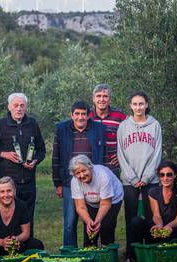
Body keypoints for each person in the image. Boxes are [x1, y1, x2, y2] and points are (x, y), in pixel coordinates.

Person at [0, 93, 46, 237]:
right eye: (16, 105)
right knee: (8, 219)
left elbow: (41, 150)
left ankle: (28, 251)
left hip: (29, 182)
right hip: (8, 183)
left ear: (26, 107)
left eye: (22, 105)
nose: (19, 108)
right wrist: (3, 154)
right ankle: (7, 250)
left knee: (28, 219)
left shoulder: (33, 124)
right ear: (9, 107)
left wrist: (36, 161)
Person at [52, 100, 105, 247]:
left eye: (83, 114)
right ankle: (70, 252)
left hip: (92, 181)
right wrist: (58, 183)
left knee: (90, 218)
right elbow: (56, 157)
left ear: (89, 115)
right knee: (70, 221)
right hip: (70, 181)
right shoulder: (62, 129)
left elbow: (104, 153)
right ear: (72, 115)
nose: (80, 117)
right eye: (77, 114)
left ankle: (89, 250)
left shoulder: (99, 129)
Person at [117, 91, 162, 261]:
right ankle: (132, 253)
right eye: (135, 104)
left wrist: (148, 176)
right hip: (130, 180)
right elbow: (120, 154)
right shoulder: (123, 126)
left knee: (152, 216)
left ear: (147, 105)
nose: (138, 107)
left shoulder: (155, 125)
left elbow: (157, 153)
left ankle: (151, 250)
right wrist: (134, 178)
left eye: (141, 104)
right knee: (131, 217)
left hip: (151, 179)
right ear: (130, 106)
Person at [129, 161, 177, 260]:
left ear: (175, 175)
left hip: (174, 231)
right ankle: (136, 256)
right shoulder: (153, 192)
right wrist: (159, 225)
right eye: (162, 175)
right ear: (159, 177)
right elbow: (156, 215)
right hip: (160, 230)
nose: (165, 178)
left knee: (165, 253)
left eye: (169, 175)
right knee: (136, 221)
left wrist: (168, 226)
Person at [0, 177, 44, 258]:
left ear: (14, 191)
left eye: (9, 191)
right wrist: (2, 242)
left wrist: (17, 239)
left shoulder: (22, 206)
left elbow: (26, 233)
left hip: (16, 246)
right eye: (2, 192)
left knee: (37, 245)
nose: (6, 195)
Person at [69, 155, 124, 246]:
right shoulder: (74, 181)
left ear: (90, 167)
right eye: (78, 173)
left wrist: (98, 220)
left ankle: (107, 251)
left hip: (112, 199)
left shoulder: (102, 175)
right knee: (90, 228)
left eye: (84, 170)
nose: (82, 175)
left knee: (106, 225)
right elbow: (80, 206)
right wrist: (88, 221)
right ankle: (90, 253)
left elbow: (105, 204)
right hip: (91, 201)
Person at [89, 84, 127, 177]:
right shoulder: (87, 116)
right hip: (91, 167)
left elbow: (129, 139)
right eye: (98, 96)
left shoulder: (120, 116)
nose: (102, 99)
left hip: (113, 167)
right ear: (93, 99)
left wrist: (122, 156)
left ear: (110, 99)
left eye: (105, 96)